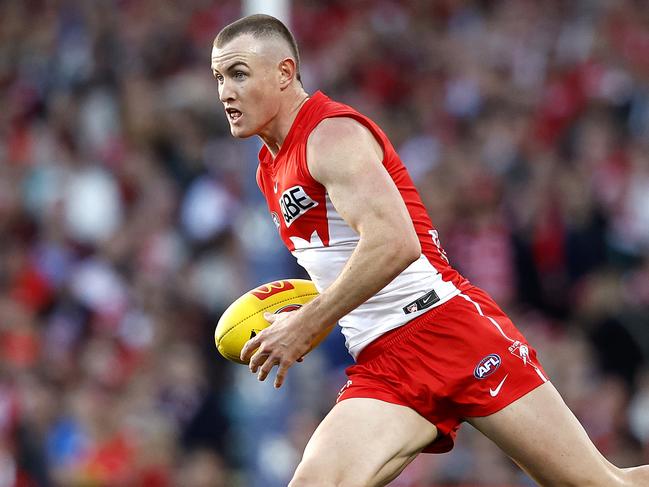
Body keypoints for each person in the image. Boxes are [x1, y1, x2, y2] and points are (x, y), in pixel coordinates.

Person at [211, 14, 649, 487]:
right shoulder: (268, 169)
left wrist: (308, 322)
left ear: (284, 72)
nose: (225, 92)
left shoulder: (330, 135)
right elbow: (343, 258)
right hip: (384, 363)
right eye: (218, 77)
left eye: (238, 73)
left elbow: (395, 244)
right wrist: (306, 310)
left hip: (447, 330)